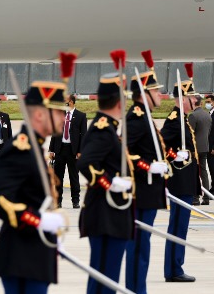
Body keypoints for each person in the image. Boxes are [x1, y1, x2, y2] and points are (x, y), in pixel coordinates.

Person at [0, 78, 67, 293]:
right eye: (58, 111)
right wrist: (40, 221)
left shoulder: (34, 147)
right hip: (21, 257)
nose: (64, 117)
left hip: (34, 254)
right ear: (40, 114)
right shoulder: (21, 148)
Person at [77, 73, 135, 294]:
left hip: (111, 215)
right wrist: (109, 183)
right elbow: (85, 163)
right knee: (105, 279)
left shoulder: (109, 128)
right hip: (105, 216)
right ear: (119, 102)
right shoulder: (103, 129)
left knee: (105, 278)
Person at [124, 54, 169, 294]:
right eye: (156, 91)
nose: (160, 95)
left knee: (143, 246)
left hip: (149, 192)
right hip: (140, 191)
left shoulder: (146, 117)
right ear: (144, 94)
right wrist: (147, 166)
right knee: (138, 246)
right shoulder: (137, 118)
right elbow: (124, 151)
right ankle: (135, 290)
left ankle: (137, 288)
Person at [160, 70, 201, 283]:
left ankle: (175, 267)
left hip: (186, 182)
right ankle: (174, 269)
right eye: (192, 97)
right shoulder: (174, 120)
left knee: (180, 226)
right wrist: (176, 155)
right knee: (177, 226)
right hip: (178, 182)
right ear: (183, 99)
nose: (195, 101)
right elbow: (160, 146)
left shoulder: (183, 119)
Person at [48, 94, 87, 208]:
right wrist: (51, 150)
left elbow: (83, 135)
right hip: (60, 149)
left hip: (73, 151)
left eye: (66, 101)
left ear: (72, 102)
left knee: (73, 176)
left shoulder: (80, 116)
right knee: (58, 176)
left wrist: (80, 151)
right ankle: (58, 200)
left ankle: (75, 200)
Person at [189, 96, 211, 205]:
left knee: (194, 173)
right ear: (201, 103)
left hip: (195, 149)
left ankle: (195, 197)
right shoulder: (207, 115)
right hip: (205, 147)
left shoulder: (193, 115)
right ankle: (206, 197)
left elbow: (190, 133)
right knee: (203, 172)